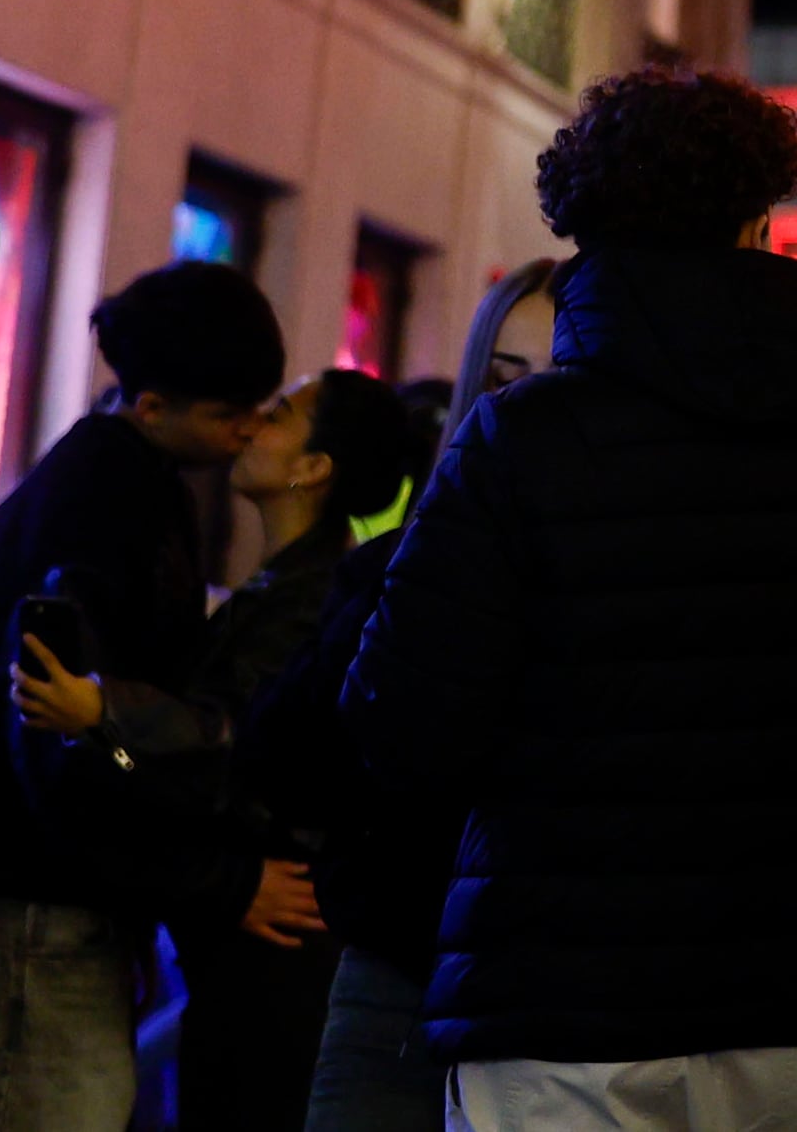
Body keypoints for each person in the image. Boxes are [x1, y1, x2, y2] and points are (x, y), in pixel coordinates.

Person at [344, 60, 797, 1132]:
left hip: (554, 1003)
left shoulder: (520, 438)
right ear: (760, 221)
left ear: (586, 233)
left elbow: (399, 722)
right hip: (782, 999)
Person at [0, 257, 289, 1132]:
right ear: (154, 405)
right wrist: (219, 881)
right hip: (34, 916)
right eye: (230, 410)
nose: (250, 428)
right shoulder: (102, 508)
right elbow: (58, 746)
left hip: (41, 909)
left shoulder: (116, 484)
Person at [285, 264, 555, 1132]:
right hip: (400, 968)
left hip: (546, 1000)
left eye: (552, 377)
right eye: (505, 375)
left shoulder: (613, 579)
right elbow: (303, 751)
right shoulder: (396, 563)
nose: (522, 403)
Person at [149, 372, 417, 1132]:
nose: (252, 423)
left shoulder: (317, 599)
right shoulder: (283, 586)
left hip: (277, 937)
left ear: (314, 466)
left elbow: (239, 759)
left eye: (281, 414)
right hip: (248, 933)